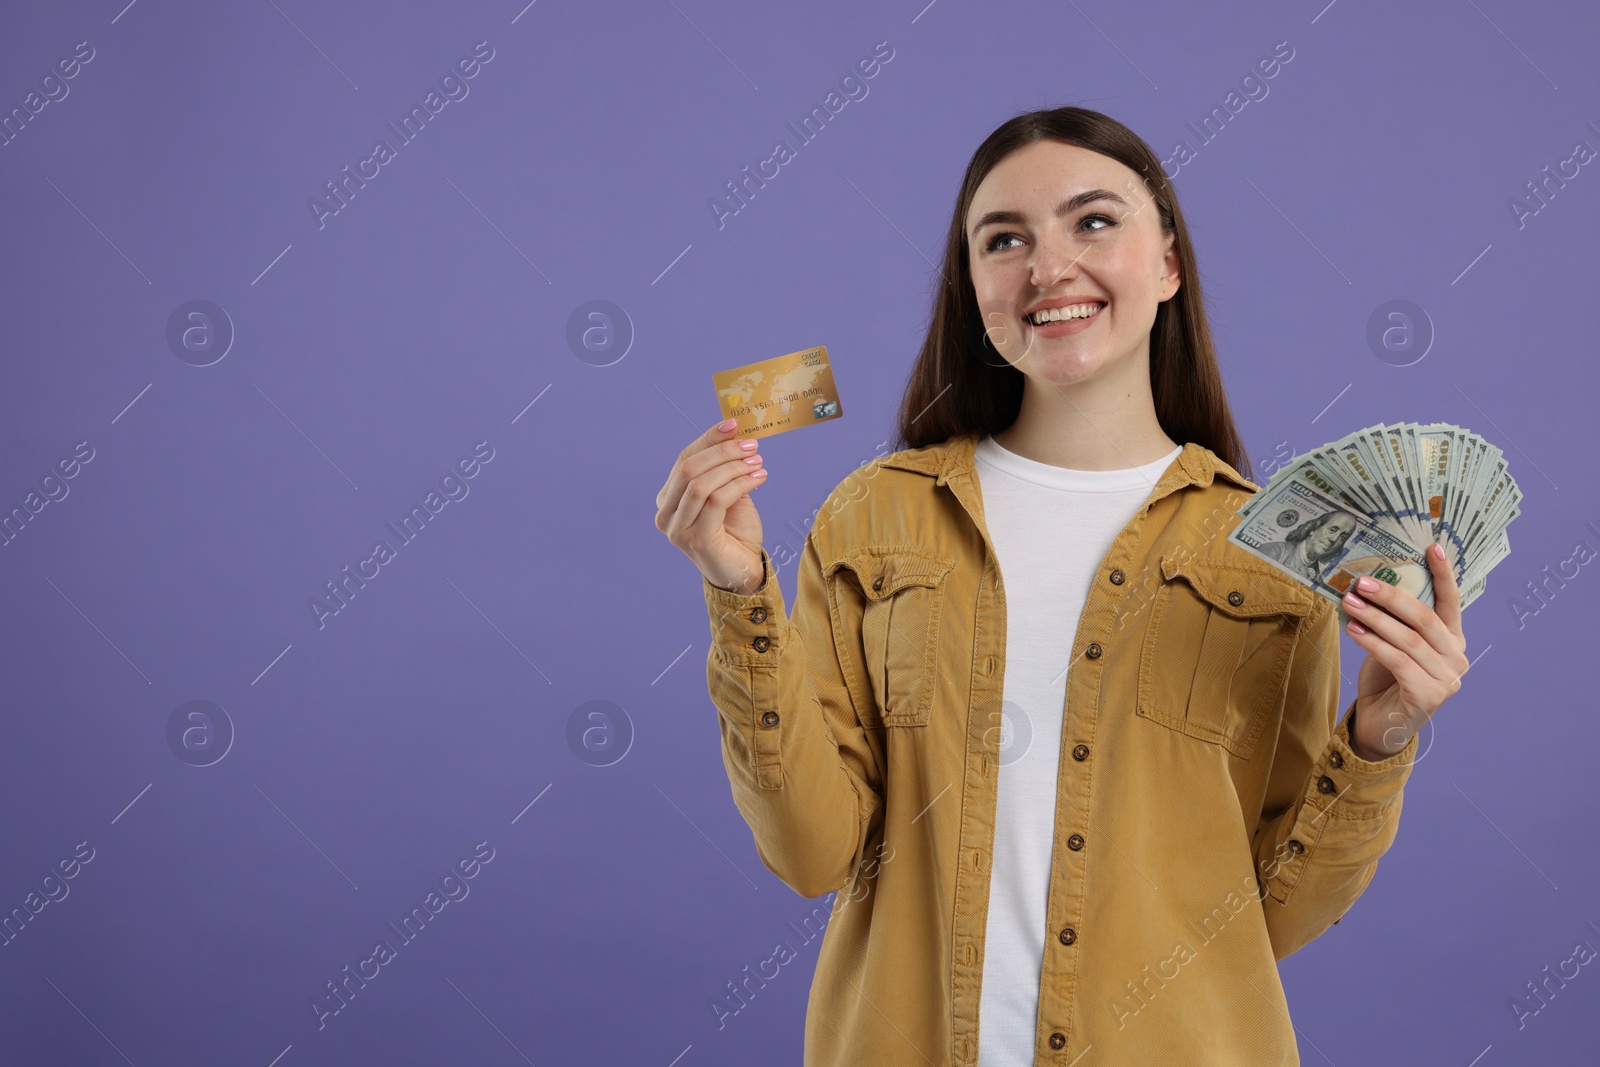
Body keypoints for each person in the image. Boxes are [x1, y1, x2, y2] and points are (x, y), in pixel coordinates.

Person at [654, 106, 1471, 1067]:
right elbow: (811, 853)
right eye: (1005, 240)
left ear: (1168, 263)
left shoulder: (1272, 552)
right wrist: (739, 588)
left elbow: (1274, 916)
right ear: (974, 288)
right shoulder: (871, 518)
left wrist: (1380, 737)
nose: (1048, 268)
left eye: (1093, 221)